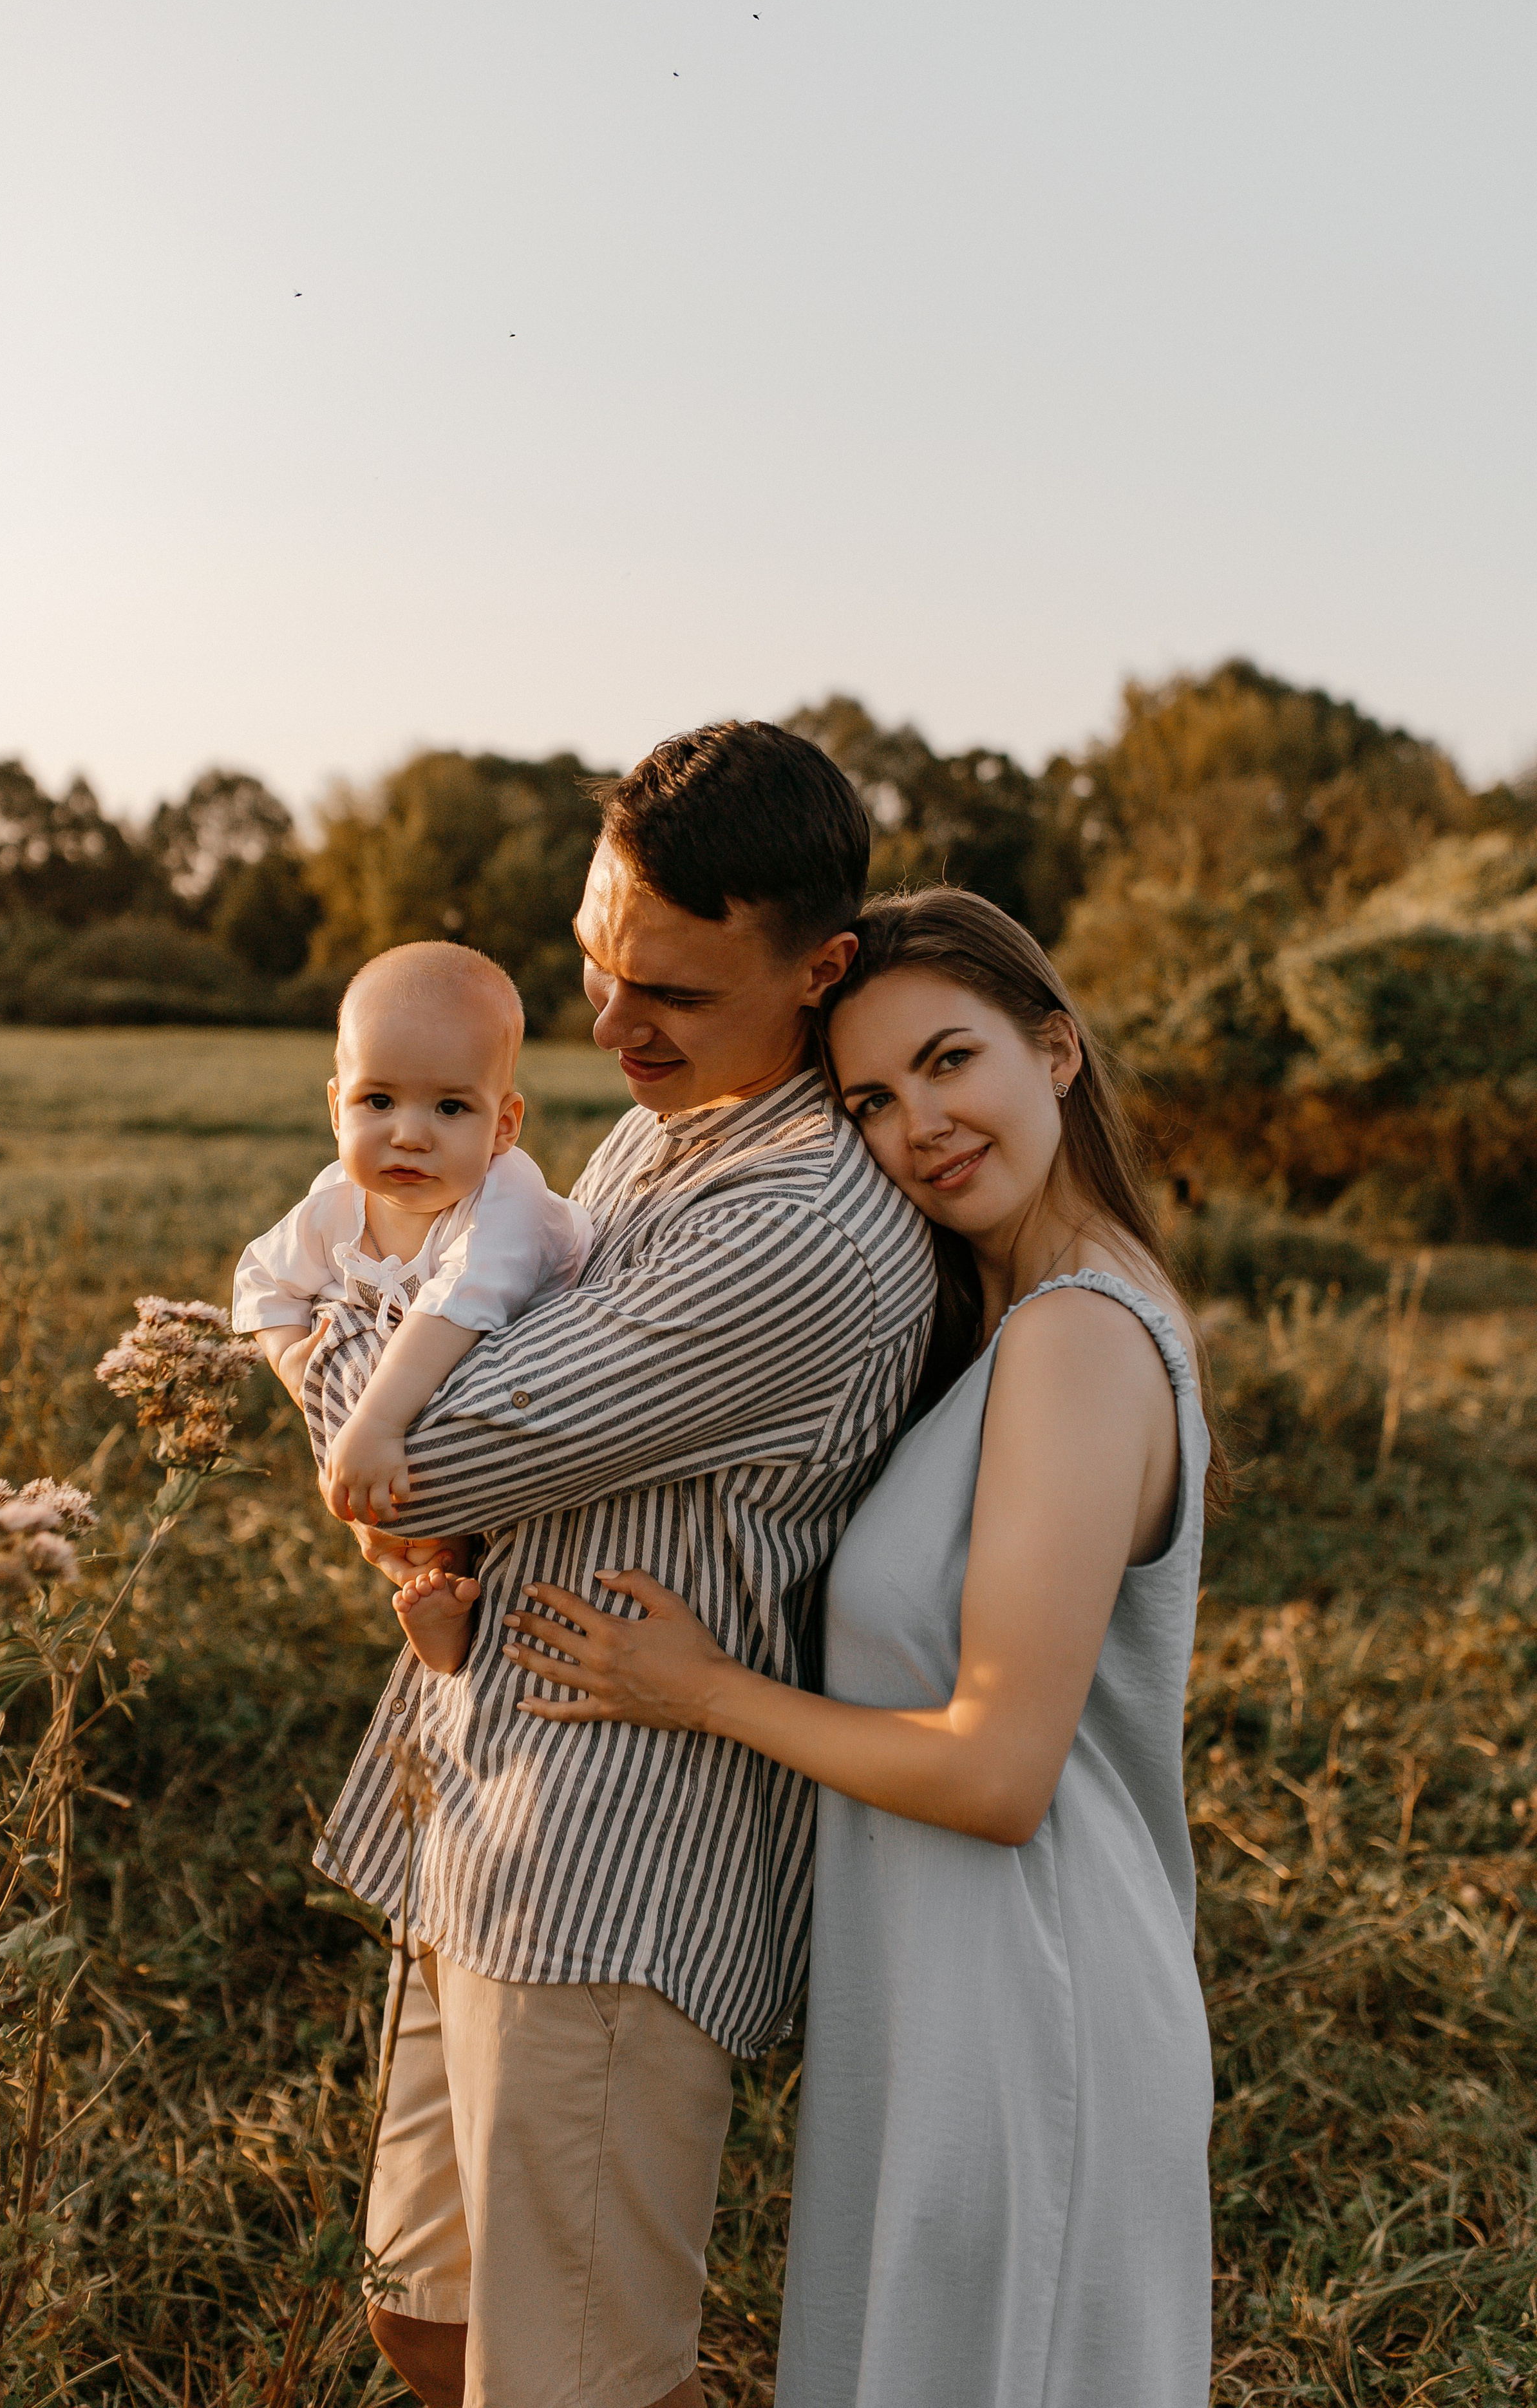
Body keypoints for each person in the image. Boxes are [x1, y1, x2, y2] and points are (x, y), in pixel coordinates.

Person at [504, 887, 1218, 2407]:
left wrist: (699, 1689)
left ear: (1057, 1048)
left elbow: (998, 1764)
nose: (920, 1126)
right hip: (949, 1996)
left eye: (952, 1060)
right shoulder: (1013, 1326)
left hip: (1035, 2008)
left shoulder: (1078, 1338)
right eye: (871, 1099)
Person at [305, 724, 936, 2408]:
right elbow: (479, 1372)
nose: (606, 1022)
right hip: (485, 1802)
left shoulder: (800, 1220)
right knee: (424, 2319)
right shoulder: (665, 1134)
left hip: (614, 1876)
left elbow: (424, 1442)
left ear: (822, 971)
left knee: (573, 2378)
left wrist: (295, 1292)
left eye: (669, 990)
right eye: (594, 959)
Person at [232, 941, 591, 1663]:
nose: (409, 1134)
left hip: (525, 1396)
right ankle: (427, 1584)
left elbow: (463, 1300)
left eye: (451, 1106)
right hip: (418, 1403)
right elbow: (263, 1282)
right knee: (347, 1358)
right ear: (338, 1108)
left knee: (376, 1375)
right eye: (379, 1101)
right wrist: (295, 1372)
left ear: (504, 1125)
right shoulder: (337, 1202)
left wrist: (375, 1423)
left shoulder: (508, 1196)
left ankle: (447, 1564)